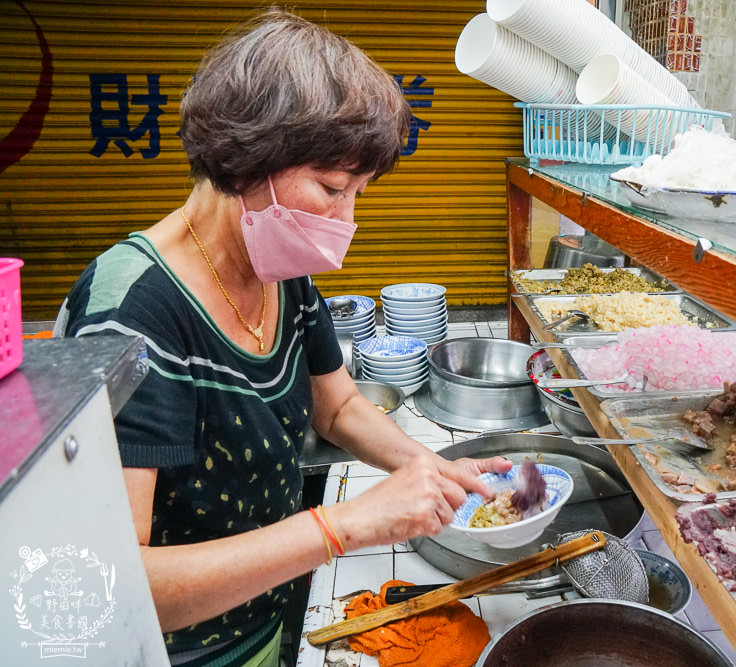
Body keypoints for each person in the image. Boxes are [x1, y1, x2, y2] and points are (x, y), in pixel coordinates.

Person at [55, 9, 510, 666]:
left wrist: (429, 470)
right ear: (247, 163)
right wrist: (346, 523)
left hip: (269, 621)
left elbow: (339, 406)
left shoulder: (278, 269)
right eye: (331, 188)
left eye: (358, 192)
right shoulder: (132, 315)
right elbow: (116, 579)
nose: (346, 220)